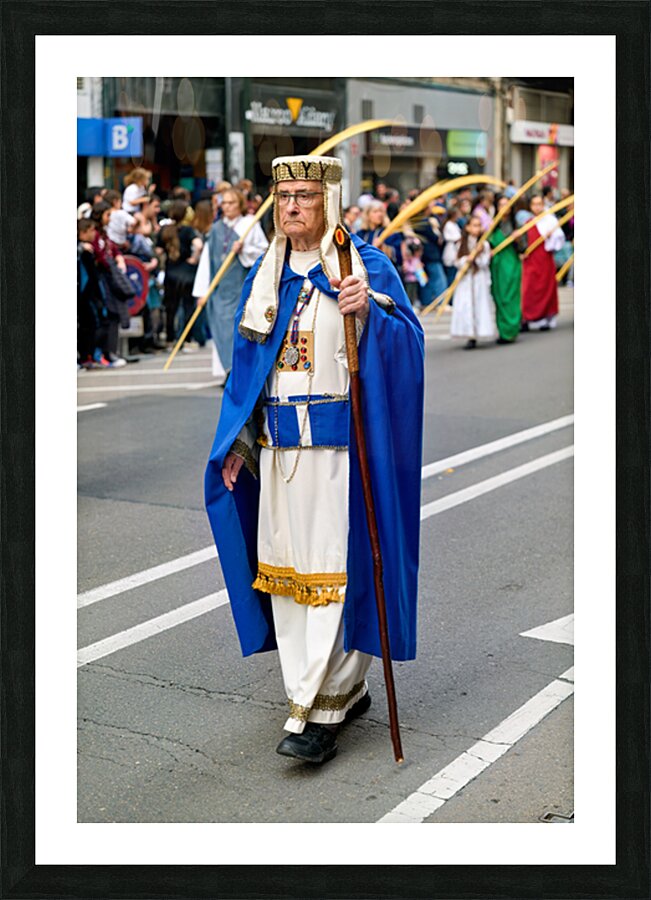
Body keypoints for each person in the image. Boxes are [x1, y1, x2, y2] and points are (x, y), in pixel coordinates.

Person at [204, 155, 424, 764]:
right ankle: (331, 692)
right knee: (287, 577)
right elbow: (248, 375)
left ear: (329, 200)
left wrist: (370, 310)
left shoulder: (364, 267)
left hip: (338, 458)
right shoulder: (265, 277)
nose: (291, 207)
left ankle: (318, 709)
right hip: (278, 456)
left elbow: (408, 342)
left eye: (303, 195)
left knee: (335, 575)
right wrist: (238, 445)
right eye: (283, 197)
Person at [192, 188, 268, 379]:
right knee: (222, 329)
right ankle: (227, 368)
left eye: (231, 202)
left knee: (240, 329)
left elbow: (264, 252)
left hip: (242, 287)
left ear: (240, 204)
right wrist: (202, 291)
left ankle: (242, 370)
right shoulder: (217, 228)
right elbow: (206, 261)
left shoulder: (249, 224)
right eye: (224, 203)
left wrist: (244, 249)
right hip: (220, 289)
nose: (227, 207)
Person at [157, 200, 203, 346]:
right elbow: (199, 245)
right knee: (188, 306)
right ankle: (186, 338)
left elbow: (158, 250)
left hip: (171, 272)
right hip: (187, 273)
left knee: (171, 307)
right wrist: (194, 258)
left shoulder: (164, 230)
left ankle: (170, 338)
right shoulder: (188, 231)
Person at [449, 214, 496, 349]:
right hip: (465, 279)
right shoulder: (460, 244)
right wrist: (467, 259)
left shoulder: (484, 244)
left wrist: (478, 255)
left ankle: (479, 331)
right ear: (468, 228)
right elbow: (456, 262)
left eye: (479, 225)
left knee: (479, 305)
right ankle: (470, 335)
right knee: (466, 305)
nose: (477, 228)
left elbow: (484, 263)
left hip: (479, 278)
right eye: (474, 225)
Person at [520, 194, 565, 331]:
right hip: (531, 261)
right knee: (528, 289)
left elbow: (559, 238)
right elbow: (524, 242)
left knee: (546, 288)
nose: (537, 207)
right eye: (534, 204)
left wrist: (551, 237)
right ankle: (527, 318)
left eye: (539, 204)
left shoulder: (551, 220)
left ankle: (545, 318)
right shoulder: (528, 222)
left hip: (545, 260)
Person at [487, 196, 522, 343]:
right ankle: (503, 330)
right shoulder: (492, 225)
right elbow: (485, 244)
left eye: (507, 204)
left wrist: (518, 239)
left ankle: (512, 329)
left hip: (512, 265)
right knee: (499, 297)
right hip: (497, 266)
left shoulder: (517, 226)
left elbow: (523, 248)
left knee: (511, 296)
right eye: (501, 204)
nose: (504, 207)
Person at [414, 201, 447, 307]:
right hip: (431, 255)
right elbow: (436, 238)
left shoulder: (418, 221)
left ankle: (427, 301)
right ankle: (440, 302)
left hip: (424, 255)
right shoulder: (425, 222)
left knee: (427, 280)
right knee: (439, 279)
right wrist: (435, 228)